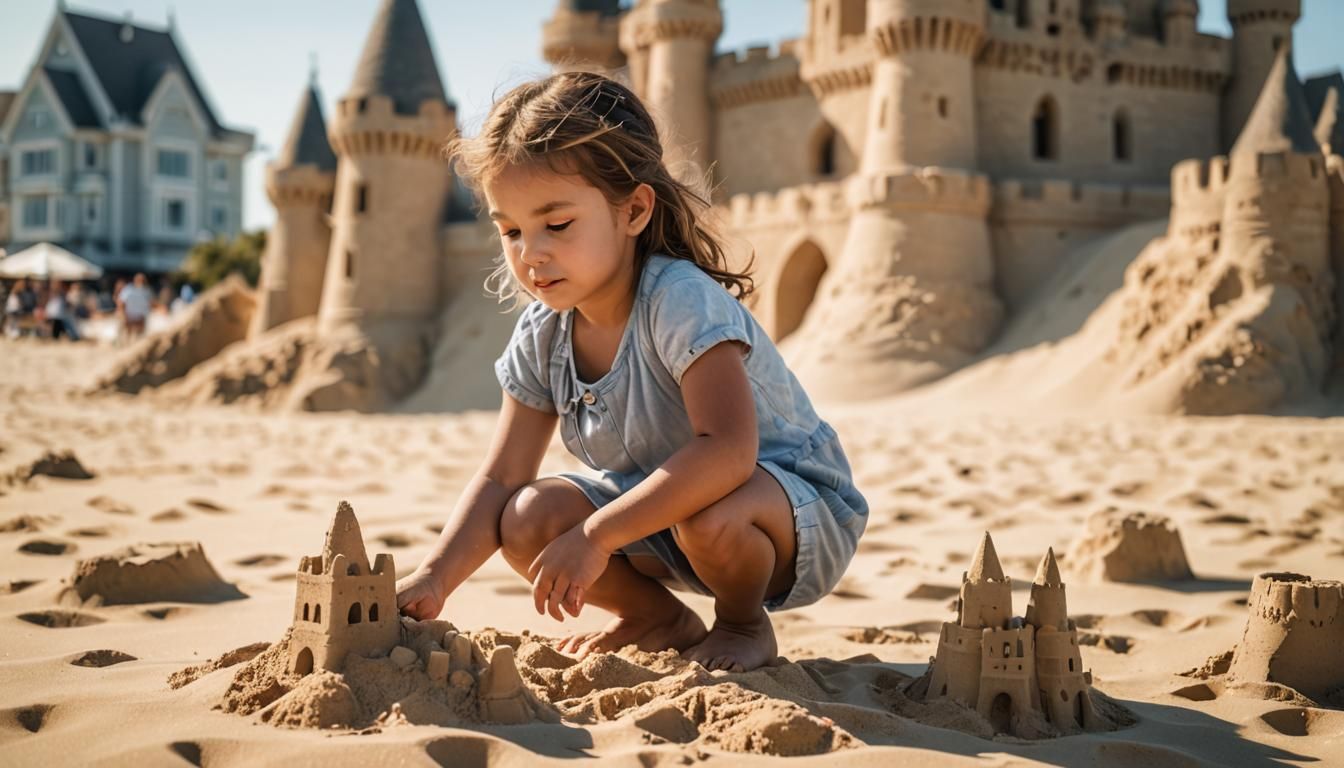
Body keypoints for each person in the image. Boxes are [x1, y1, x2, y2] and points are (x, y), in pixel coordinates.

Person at [395, 72, 867, 672]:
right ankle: (657, 617)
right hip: (662, 515)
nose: (530, 252)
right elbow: (500, 477)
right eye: (511, 230)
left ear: (635, 210)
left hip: (790, 516)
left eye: (557, 224)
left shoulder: (678, 300)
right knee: (524, 516)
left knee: (709, 509)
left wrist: (595, 537)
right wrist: (434, 578)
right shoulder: (543, 334)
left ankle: (744, 623)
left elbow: (726, 453)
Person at [117, 272, 153, 339]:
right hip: (130, 315)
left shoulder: (146, 291)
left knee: (139, 336)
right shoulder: (129, 290)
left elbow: (150, 303)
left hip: (140, 316)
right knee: (128, 335)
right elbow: (121, 302)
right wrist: (122, 314)